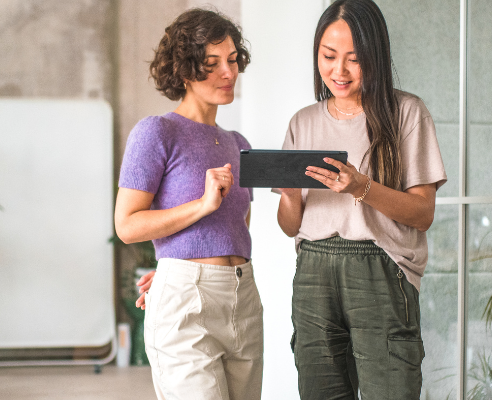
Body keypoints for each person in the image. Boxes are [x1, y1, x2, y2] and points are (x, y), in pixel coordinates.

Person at [275, 0, 448, 398]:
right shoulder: (303, 121)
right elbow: (289, 226)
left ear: (376, 56)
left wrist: (361, 187)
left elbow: (422, 214)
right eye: (329, 56)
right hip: (313, 272)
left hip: (380, 269)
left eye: (354, 59)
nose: (339, 71)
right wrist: (288, 195)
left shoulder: (406, 113)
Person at [113, 8, 261, 400]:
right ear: (183, 70)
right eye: (211, 64)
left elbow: (236, 224)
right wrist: (200, 207)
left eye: (232, 60)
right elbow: (126, 225)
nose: (228, 73)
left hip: (243, 299)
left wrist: (173, 261)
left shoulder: (240, 144)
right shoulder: (156, 133)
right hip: (186, 306)